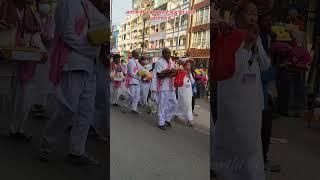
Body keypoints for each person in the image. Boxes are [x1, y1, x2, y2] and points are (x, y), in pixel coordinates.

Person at [39, 0, 106, 166]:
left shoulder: (86, 4)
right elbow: (66, 34)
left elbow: (103, 23)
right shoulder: (68, 3)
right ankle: (47, 144)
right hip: (72, 63)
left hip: (90, 65)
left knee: (86, 112)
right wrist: (90, 49)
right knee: (66, 109)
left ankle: (76, 151)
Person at [212, 1, 268, 179]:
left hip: (252, 100)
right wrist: (246, 45)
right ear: (238, 16)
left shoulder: (256, 37)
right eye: (249, 13)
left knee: (252, 141)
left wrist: (255, 43)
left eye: (256, 14)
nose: (253, 17)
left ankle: (251, 173)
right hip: (233, 98)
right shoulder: (229, 34)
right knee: (234, 138)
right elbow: (230, 69)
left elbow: (265, 65)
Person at [9, 0, 44, 140]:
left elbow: (36, 31)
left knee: (23, 95)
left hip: (27, 58)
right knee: (18, 95)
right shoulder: (12, 8)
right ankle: (15, 129)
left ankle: (18, 128)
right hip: (17, 58)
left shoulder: (30, 10)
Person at [259, 12, 281, 172]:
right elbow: (264, 70)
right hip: (258, 89)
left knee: (266, 127)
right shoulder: (256, 39)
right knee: (262, 127)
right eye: (266, 20)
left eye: (270, 20)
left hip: (268, 89)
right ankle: (260, 159)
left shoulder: (272, 38)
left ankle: (262, 158)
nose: (269, 22)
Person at [155, 48, 177, 130]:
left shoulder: (171, 61)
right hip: (163, 86)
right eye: (167, 53)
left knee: (174, 103)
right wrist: (167, 73)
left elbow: (173, 74)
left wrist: (175, 72)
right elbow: (159, 76)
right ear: (163, 54)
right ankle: (161, 122)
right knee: (162, 105)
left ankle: (167, 118)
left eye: (170, 53)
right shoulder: (159, 62)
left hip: (171, 86)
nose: (169, 55)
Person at [174, 58, 195, 127]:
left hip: (189, 92)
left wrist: (189, 76)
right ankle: (189, 119)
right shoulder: (181, 72)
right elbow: (180, 83)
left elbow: (193, 82)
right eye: (188, 65)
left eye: (190, 65)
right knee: (183, 104)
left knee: (186, 104)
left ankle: (178, 114)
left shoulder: (190, 73)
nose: (189, 66)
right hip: (182, 91)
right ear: (185, 65)